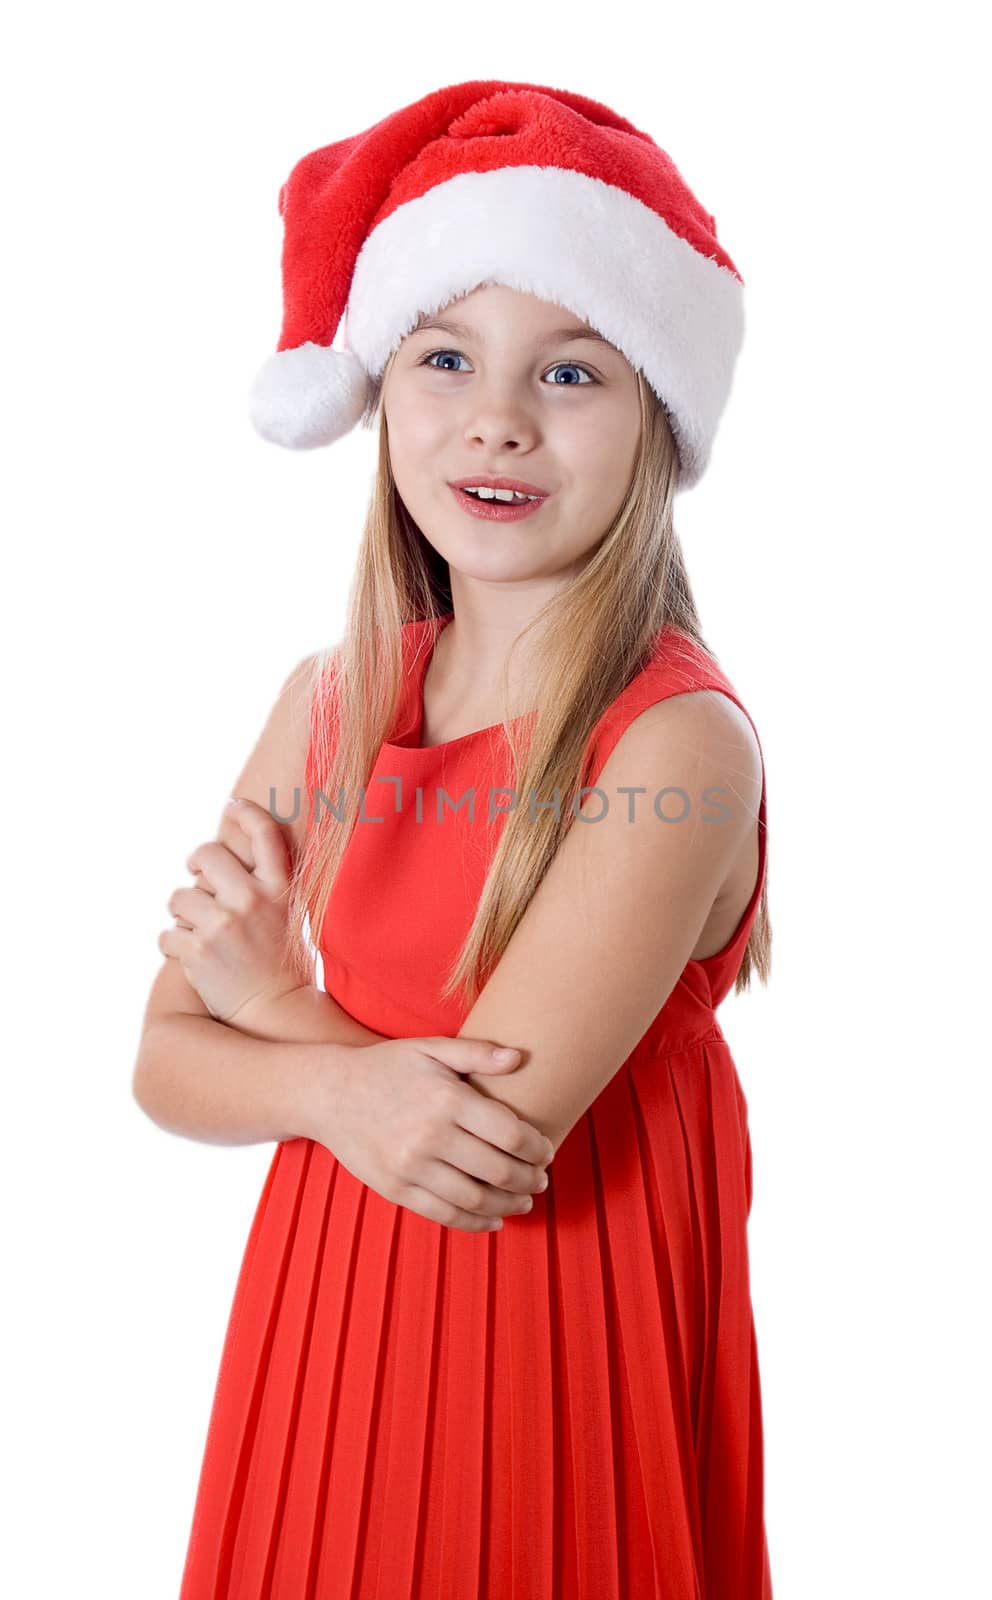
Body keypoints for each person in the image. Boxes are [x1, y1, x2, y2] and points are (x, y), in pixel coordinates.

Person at [132, 79, 774, 1599]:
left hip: (547, 1350)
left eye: (570, 371)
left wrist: (278, 1020)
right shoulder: (328, 700)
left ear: (655, 423)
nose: (496, 416)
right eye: (444, 356)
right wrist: (313, 1078)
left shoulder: (674, 745)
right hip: (325, 1326)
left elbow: (474, 1147)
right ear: (379, 395)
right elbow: (161, 1063)